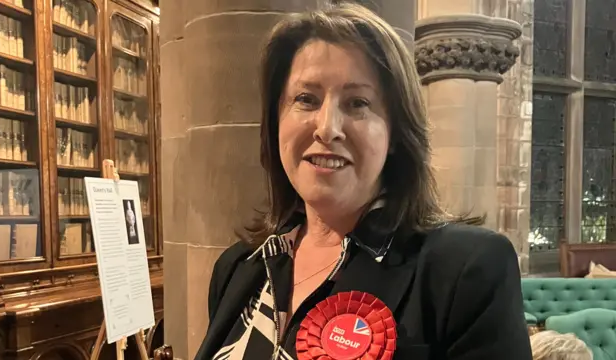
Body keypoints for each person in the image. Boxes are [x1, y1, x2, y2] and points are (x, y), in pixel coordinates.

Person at [195, 3, 531, 360]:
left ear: (397, 132)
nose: (327, 128)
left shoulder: (466, 271)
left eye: (357, 103)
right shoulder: (237, 268)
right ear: (277, 120)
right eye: (306, 99)